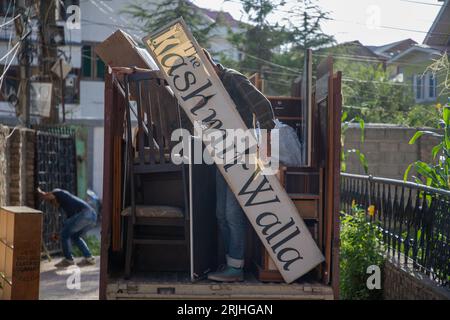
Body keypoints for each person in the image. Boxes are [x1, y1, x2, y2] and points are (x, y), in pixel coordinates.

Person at [111, 48, 275, 282]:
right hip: (221, 152)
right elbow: (169, 76)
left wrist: (265, 148)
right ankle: (231, 263)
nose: (199, 74)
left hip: (242, 152)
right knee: (221, 213)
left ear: (210, 62)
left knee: (231, 212)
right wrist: (136, 71)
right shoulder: (204, 84)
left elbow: (264, 107)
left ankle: (236, 268)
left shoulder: (232, 78)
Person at [38, 188, 97, 268]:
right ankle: (89, 258)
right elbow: (68, 228)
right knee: (74, 236)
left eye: (52, 203)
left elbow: (46, 196)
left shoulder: (58, 192)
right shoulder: (68, 208)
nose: (53, 205)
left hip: (85, 214)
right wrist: (59, 235)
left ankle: (69, 260)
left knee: (65, 234)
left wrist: (38, 191)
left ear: (54, 198)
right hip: (92, 217)